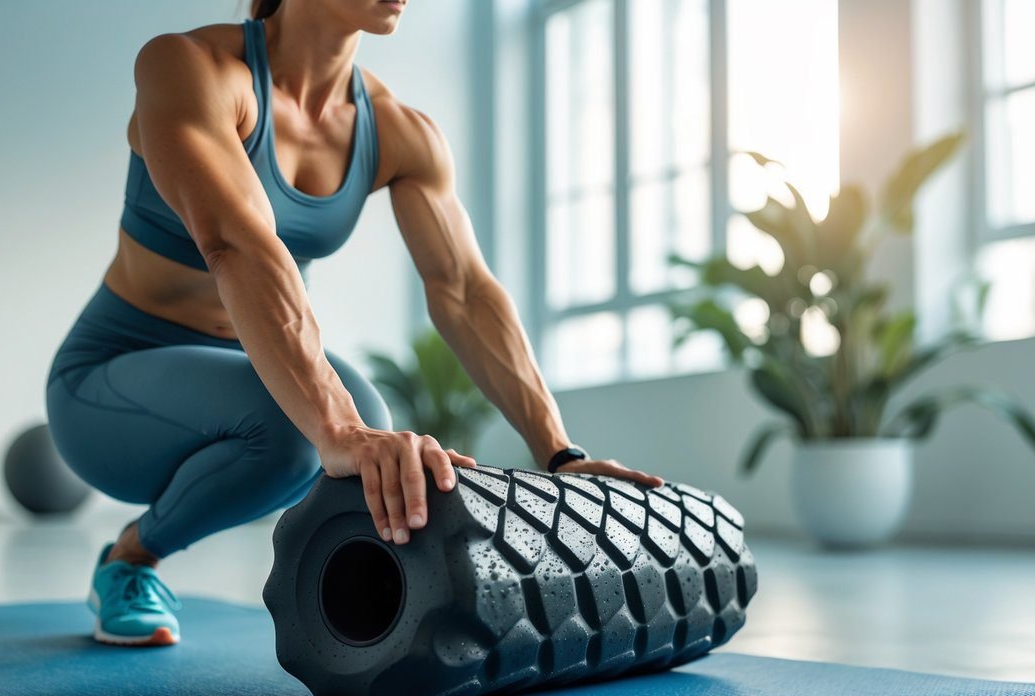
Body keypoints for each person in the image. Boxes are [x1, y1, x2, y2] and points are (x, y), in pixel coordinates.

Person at [45, 0, 665, 647]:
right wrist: (336, 429)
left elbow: (461, 289)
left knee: (364, 413)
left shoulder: (398, 130)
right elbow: (235, 242)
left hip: (248, 374)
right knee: (310, 427)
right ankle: (131, 560)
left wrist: (560, 454)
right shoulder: (189, 66)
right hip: (107, 384)